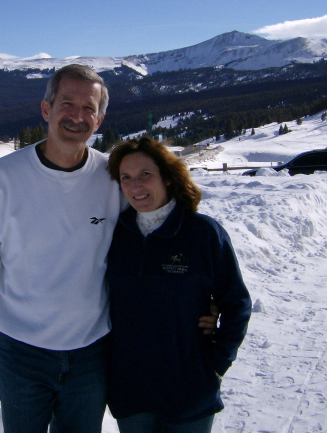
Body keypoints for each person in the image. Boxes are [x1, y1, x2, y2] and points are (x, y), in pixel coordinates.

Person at [0, 64, 218, 433]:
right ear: (46, 109)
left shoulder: (112, 179)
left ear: (99, 120)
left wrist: (200, 295)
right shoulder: (3, 176)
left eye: (89, 108)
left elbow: (155, 238)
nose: (77, 115)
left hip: (92, 355)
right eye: (67, 103)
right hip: (21, 353)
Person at [106, 136, 252, 433]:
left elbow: (236, 303)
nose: (136, 186)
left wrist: (217, 363)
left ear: (168, 178)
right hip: (131, 391)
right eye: (126, 177)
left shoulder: (202, 233)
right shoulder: (114, 235)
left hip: (188, 391)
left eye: (146, 174)